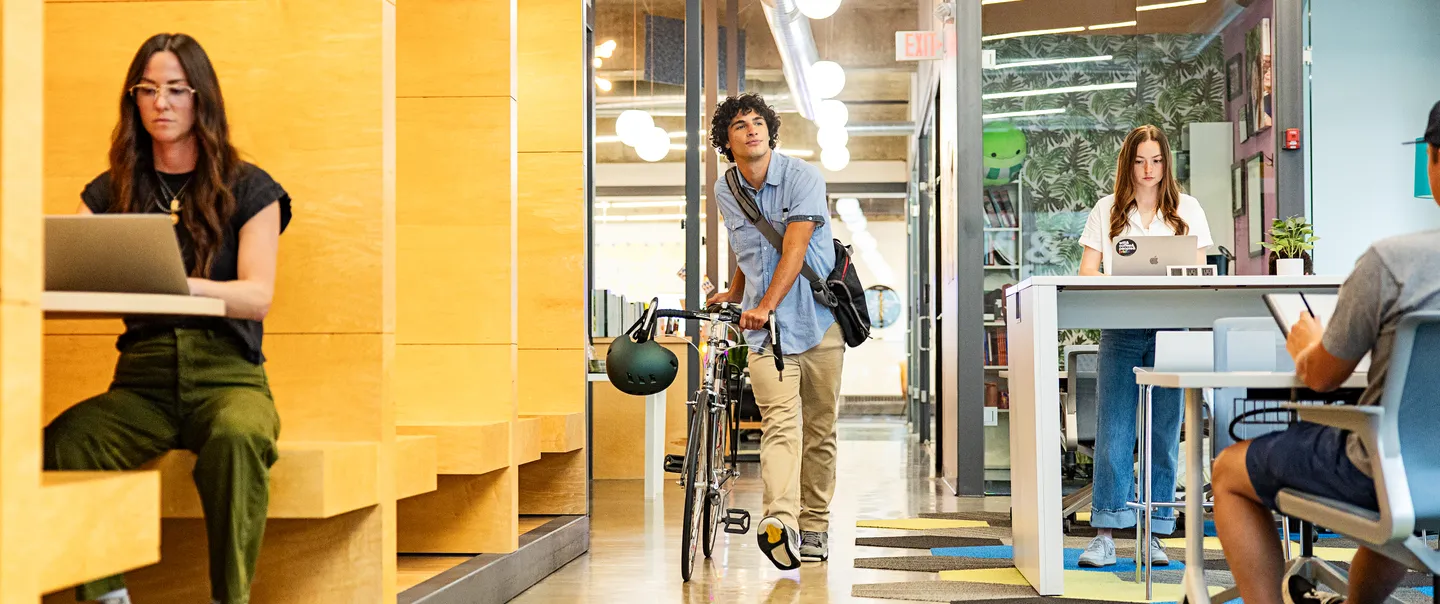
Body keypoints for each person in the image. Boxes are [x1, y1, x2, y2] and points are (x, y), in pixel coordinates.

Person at [43, 33, 292, 604]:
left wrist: (174, 284)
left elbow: (256, 297)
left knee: (239, 435)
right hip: (142, 381)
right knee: (69, 441)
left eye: (177, 90)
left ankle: (231, 599)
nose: (162, 103)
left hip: (228, 373)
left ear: (202, 99)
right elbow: (67, 271)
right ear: (133, 100)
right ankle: (105, 596)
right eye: (148, 90)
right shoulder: (110, 191)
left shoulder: (250, 188)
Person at [1211, 101, 1440, 604]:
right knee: (1404, 502)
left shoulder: (1393, 263)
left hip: (1388, 469)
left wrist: (1306, 341)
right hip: (1428, 476)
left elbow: (1321, 378)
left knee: (1229, 469)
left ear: (1434, 163)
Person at [705, 93, 845, 570]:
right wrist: (734, 291)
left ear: (770, 130)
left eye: (758, 122)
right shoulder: (727, 188)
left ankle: (816, 527)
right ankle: (780, 522)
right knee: (780, 424)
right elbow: (749, 245)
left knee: (819, 430)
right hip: (764, 334)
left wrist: (765, 304)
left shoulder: (803, 177)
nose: (751, 130)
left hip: (819, 323)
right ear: (727, 141)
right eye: (740, 125)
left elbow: (793, 249)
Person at [1075, 124, 1213, 567]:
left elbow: (1199, 269)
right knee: (1115, 430)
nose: (1148, 169)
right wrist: (1118, 281)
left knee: (1163, 432)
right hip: (1122, 326)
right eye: (1139, 160)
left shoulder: (1187, 209)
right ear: (1128, 164)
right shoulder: (1108, 209)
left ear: (1165, 163)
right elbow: (1086, 272)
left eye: (1156, 160)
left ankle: (1152, 533)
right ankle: (1105, 534)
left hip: (1173, 329)